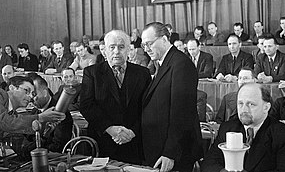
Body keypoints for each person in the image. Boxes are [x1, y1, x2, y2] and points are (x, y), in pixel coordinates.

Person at [80, 30, 151, 164]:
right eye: (112, 47)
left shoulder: (143, 73)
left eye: (121, 47)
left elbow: (149, 107)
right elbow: (86, 105)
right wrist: (110, 129)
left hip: (133, 142)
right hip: (102, 141)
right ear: (105, 50)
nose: (116, 51)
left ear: (129, 50)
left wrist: (133, 132)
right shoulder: (92, 73)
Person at [141, 22, 203, 171]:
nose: (146, 49)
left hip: (175, 152)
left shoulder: (181, 64)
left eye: (149, 43)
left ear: (164, 39)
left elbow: (182, 113)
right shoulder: (164, 63)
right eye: (143, 45)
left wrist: (170, 153)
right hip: (161, 146)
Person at [202, 83, 285, 172]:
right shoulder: (227, 128)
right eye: (240, 103)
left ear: (266, 107)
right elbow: (209, 163)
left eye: (251, 104)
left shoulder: (283, 134)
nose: (244, 109)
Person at [17, 73, 73, 160]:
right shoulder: (34, 111)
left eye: (34, 94)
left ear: (45, 93)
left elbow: (57, 147)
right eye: (28, 93)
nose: (30, 98)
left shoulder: (60, 112)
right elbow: (26, 137)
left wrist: (32, 149)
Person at [0, 76, 65, 133]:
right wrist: (40, 117)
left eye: (33, 93)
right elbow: (5, 122)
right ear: (12, 88)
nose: (31, 97)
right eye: (27, 90)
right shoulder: (1, 95)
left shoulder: (12, 113)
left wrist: (45, 127)